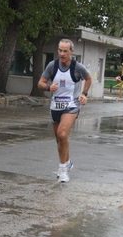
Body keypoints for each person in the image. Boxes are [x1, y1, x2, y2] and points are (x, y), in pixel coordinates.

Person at [38, 39, 92, 183]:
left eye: (65, 51)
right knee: (59, 140)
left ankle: (62, 170)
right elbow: (40, 83)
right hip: (55, 106)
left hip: (71, 105)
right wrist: (49, 88)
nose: (62, 54)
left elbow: (88, 78)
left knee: (62, 133)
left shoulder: (77, 67)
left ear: (71, 52)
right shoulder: (52, 66)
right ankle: (67, 162)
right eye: (60, 50)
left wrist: (84, 94)